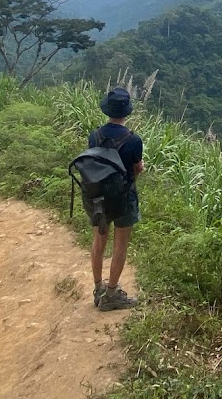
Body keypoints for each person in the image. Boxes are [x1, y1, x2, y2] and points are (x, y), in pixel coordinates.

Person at [89, 87, 144, 311]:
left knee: (98, 241)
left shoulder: (95, 136)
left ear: (108, 110)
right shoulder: (134, 140)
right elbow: (137, 169)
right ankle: (111, 295)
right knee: (120, 245)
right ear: (126, 112)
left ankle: (98, 288)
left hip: (98, 198)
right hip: (124, 199)